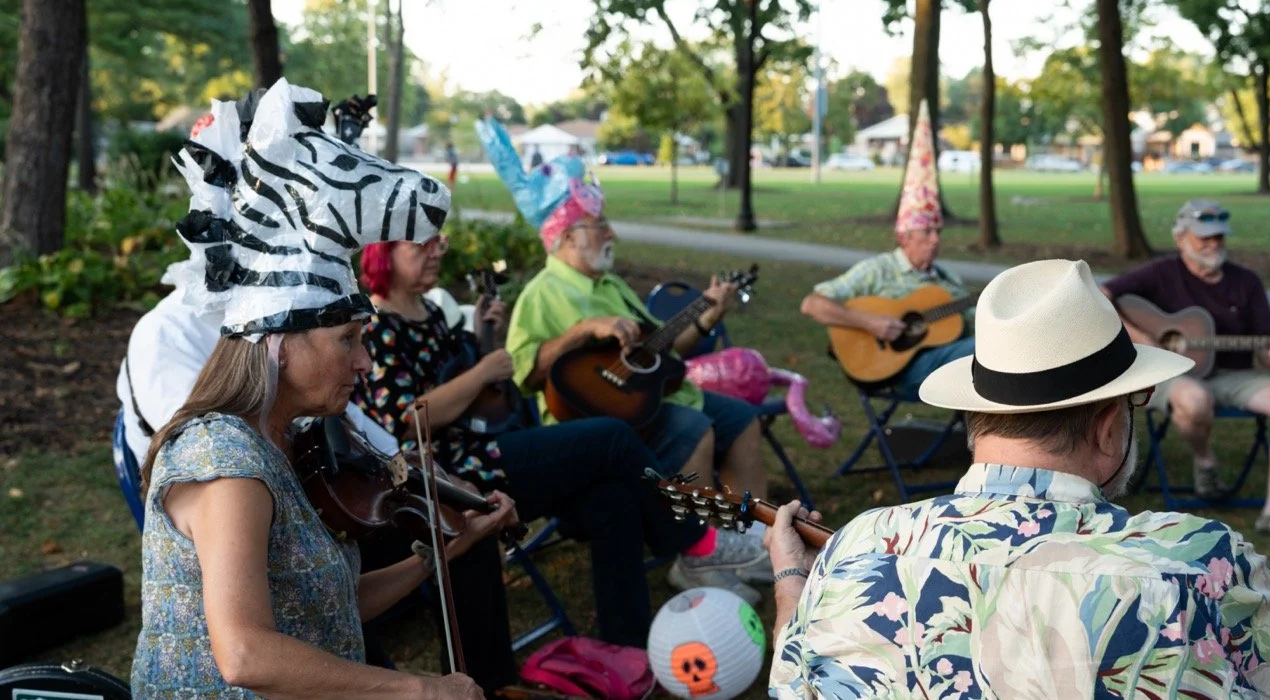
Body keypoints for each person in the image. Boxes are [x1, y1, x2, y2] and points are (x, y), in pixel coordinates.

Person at [126, 80, 532, 700]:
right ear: (280, 347)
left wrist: (450, 549)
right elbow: (247, 654)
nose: (366, 363)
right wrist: (425, 687)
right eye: (349, 340)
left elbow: (331, 610)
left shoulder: (282, 441)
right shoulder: (224, 461)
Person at [766, 258, 1270, 700]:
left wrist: (792, 583)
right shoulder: (1201, 565)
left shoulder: (857, 546)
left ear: (975, 416)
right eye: (1133, 402)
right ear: (1107, 429)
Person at [353, 233, 770, 632]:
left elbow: (483, 401)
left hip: (488, 446)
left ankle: (627, 649)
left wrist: (483, 336)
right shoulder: (377, 327)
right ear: (382, 253)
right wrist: (482, 370)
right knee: (611, 436)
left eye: (438, 242)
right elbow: (404, 422)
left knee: (615, 500)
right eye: (421, 244)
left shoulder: (431, 314)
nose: (436, 251)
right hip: (458, 472)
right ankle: (695, 543)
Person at [474, 117, 772, 590]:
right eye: (599, 223)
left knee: (741, 419)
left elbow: (664, 353)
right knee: (698, 428)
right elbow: (523, 372)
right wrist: (584, 329)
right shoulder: (542, 292)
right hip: (599, 422)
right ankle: (696, 557)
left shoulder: (608, 283)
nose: (610, 231)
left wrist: (706, 318)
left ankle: (750, 539)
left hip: (658, 399)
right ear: (566, 235)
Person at [1102, 199, 1270, 522]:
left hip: (1231, 373)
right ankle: (1205, 461)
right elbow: (1101, 295)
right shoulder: (1161, 272)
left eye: (1219, 237)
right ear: (1180, 238)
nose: (1214, 244)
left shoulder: (1247, 282)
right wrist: (1141, 337)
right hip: (1174, 372)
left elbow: (1265, 353)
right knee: (1196, 400)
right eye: (1204, 237)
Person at [799, 103, 974, 399]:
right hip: (901, 371)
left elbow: (978, 316)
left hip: (948, 365)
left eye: (938, 232)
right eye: (926, 232)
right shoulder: (878, 270)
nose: (935, 240)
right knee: (980, 351)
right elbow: (811, 305)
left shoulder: (948, 279)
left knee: (991, 345)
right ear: (903, 238)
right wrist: (870, 323)